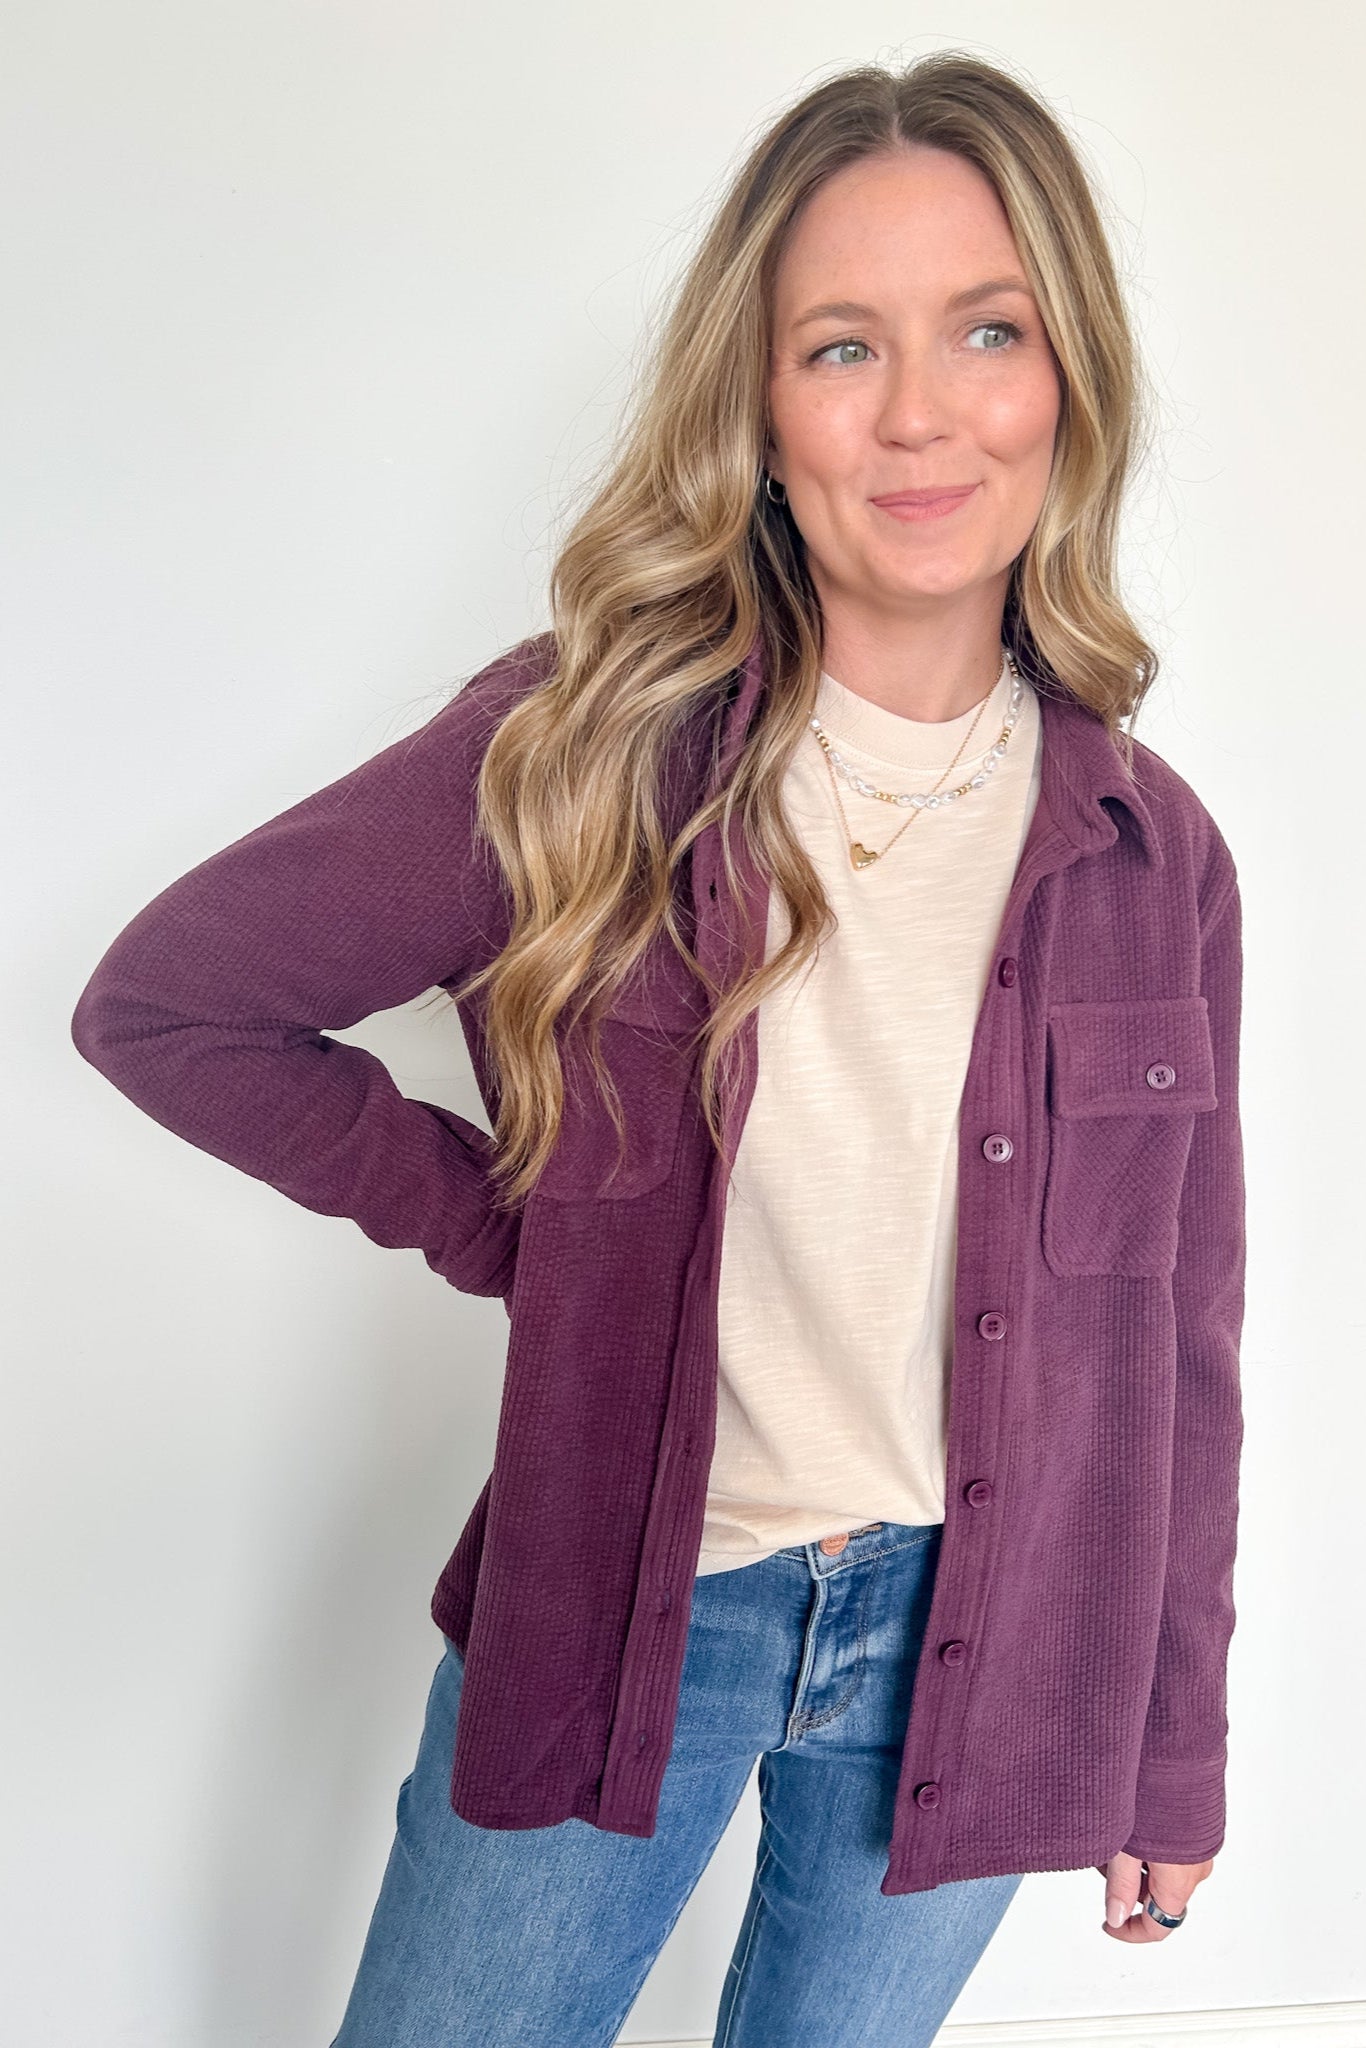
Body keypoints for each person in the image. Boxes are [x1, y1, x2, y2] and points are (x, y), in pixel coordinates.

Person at [69, 50, 1246, 2048]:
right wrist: (507, 1225)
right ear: (759, 410)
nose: (917, 413)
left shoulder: (1152, 849)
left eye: (983, 328)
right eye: (837, 346)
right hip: (629, 1615)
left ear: (1066, 379)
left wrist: (1171, 1747)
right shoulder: (582, 751)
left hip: (980, 1647)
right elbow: (169, 1004)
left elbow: (1183, 1344)